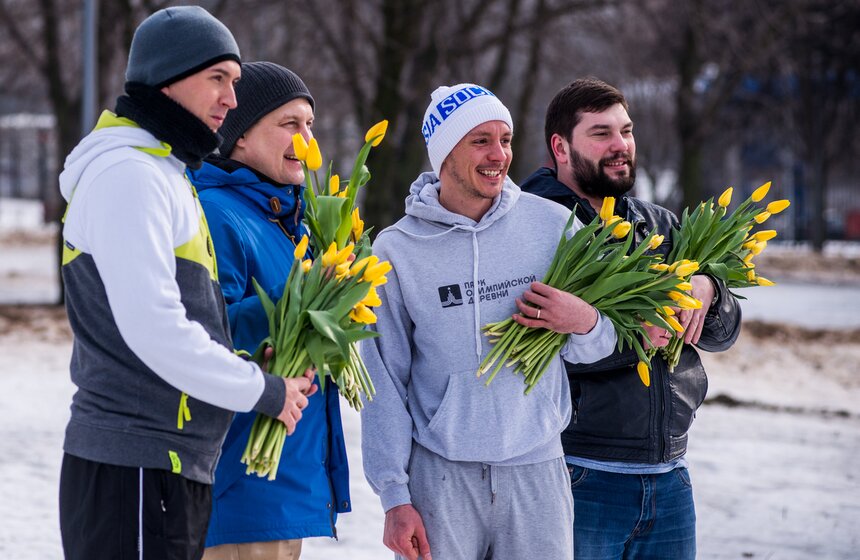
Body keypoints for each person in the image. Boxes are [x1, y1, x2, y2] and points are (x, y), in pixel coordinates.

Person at [57, 8, 316, 560]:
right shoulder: (129, 175)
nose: (230, 98)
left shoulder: (165, 174)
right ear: (166, 79)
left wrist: (255, 358)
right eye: (217, 78)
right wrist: (264, 390)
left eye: (235, 81)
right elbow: (155, 329)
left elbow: (194, 321)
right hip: (136, 462)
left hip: (169, 465)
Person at [360, 83, 618, 560]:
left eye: (505, 139)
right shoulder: (396, 250)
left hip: (537, 469)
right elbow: (383, 380)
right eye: (481, 140)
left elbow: (601, 342)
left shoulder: (553, 226)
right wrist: (394, 495)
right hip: (440, 475)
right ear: (445, 154)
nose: (499, 154)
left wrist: (585, 322)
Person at [520, 77, 743, 559]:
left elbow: (723, 334)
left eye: (626, 130)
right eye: (601, 133)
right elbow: (531, 350)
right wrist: (633, 334)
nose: (620, 145)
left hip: (669, 474)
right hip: (579, 472)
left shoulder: (657, 225)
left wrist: (708, 289)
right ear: (560, 147)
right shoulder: (530, 227)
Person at [187, 62, 349, 560]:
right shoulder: (218, 214)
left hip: (283, 481)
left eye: (310, 125)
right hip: (242, 482)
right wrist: (302, 297)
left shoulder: (291, 218)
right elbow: (208, 333)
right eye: (289, 124)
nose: (306, 139)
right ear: (239, 136)